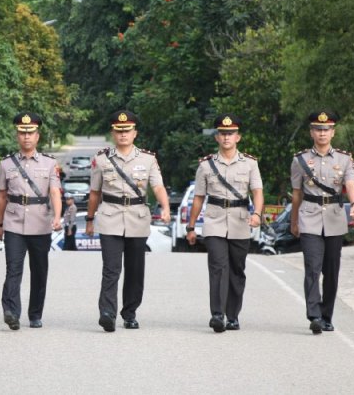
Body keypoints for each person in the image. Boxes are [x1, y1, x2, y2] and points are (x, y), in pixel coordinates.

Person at [86, 110, 170, 332]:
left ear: (135, 133)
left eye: (127, 130)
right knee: (111, 268)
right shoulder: (102, 159)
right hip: (110, 216)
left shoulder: (148, 159)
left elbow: (158, 186)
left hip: (137, 218)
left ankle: (130, 312)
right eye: (118, 130)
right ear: (113, 133)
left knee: (135, 270)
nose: (123, 134)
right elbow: (95, 193)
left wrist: (166, 206)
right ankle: (107, 312)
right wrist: (90, 219)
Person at [186, 114, 263, 333]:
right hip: (214, 219)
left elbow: (257, 192)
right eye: (222, 134)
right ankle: (217, 314)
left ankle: (233, 315)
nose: (227, 137)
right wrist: (191, 227)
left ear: (238, 137)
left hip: (240, 220)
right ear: (217, 138)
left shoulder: (250, 163)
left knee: (237, 270)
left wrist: (256, 213)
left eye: (230, 134)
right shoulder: (206, 165)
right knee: (218, 266)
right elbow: (199, 197)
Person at [290, 111, 354, 334]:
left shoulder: (344, 159)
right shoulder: (299, 160)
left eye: (326, 129)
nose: (322, 133)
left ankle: (327, 315)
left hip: (334, 218)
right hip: (309, 217)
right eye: (318, 129)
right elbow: (297, 194)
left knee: (331, 269)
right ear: (311, 132)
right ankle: (314, 315)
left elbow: (350, 183)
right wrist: (294, 222)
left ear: (333, 132)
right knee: (312, 267)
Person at [0, 112, 62, 330]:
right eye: (22, 133)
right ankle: (11, 311)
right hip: (13, 222)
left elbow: (54, 192)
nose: (26, 137)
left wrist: (58, 216)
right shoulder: (6, 164)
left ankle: (35, 314)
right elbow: (2, 195)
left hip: (40, 222)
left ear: (37, 136)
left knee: (39, 270)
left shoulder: (50, 164)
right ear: (17, 136)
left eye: (30, 133)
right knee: (13, 268)